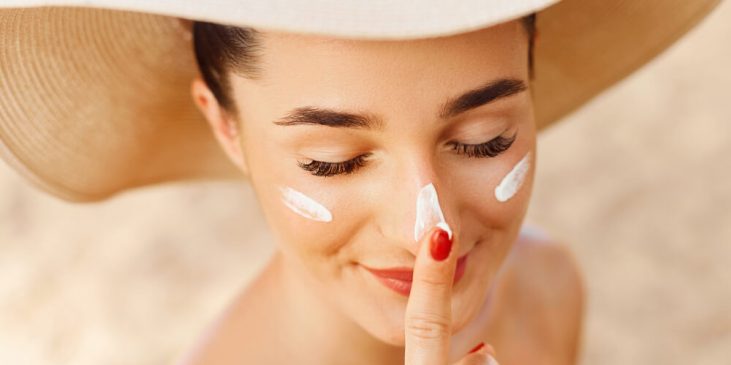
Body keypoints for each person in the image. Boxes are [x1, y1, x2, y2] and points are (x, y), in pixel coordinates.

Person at [0, 1, 720, 364]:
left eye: (483, 140)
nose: (422, 228)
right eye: (334, 160)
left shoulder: (546, 289)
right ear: (224, 125)